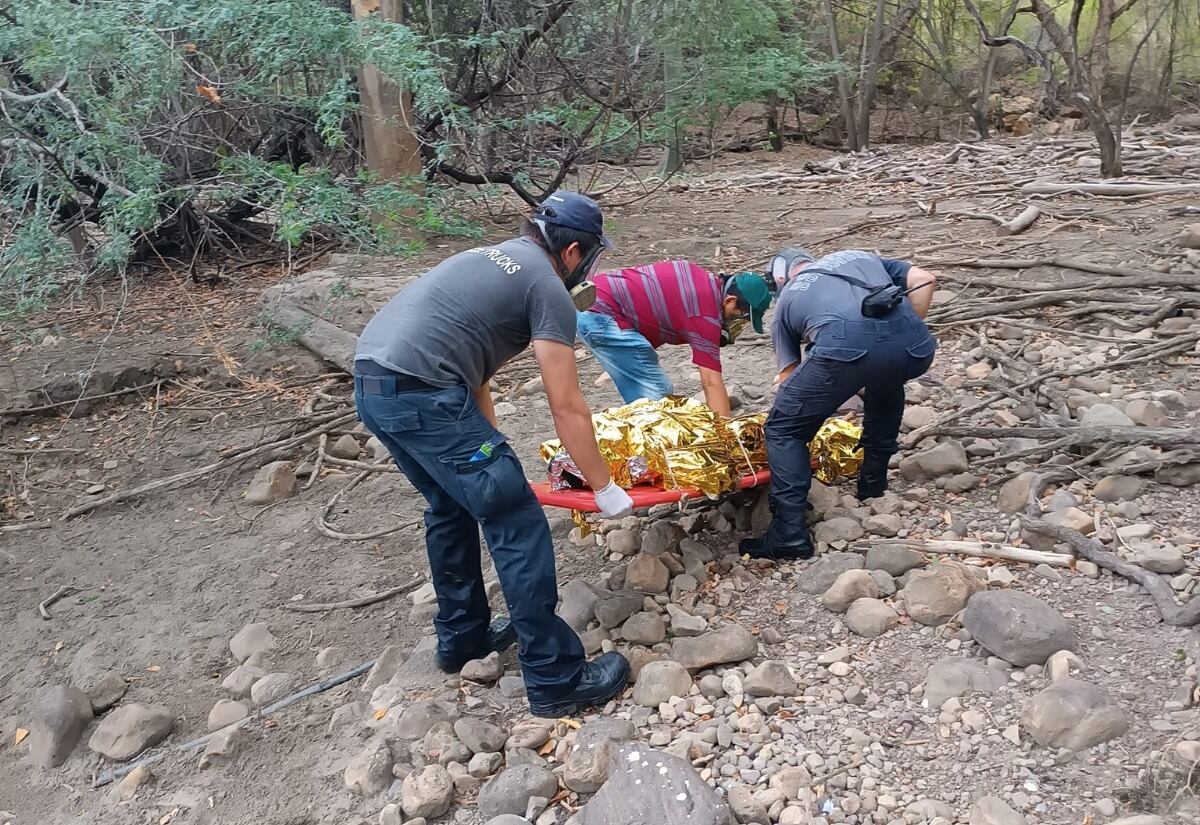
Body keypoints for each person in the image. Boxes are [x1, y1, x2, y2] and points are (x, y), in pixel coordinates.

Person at [353, 191, 633, 716]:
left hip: (374, 383)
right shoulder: (546, 286)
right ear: (574, 252)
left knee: (450, 505)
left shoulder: (489, 258)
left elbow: (475, 374)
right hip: (424, 392)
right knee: (516, 516)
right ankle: (556, 678)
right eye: (592, 257)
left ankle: (463, 640)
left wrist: (485, 450)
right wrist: (604, 486)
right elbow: (567, 405)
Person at [741, 248, 939, 560]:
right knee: (885, 377)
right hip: (917, 347)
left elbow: (788, 381)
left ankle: (788, 535)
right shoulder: (857, 256)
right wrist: (899, 337)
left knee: (783, 429)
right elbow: (925, 279)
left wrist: (814, 405)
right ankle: (873, 486)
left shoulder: (788, 299)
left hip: (844, 346)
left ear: (779, 280)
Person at [576, 262, 773, 417]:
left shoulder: (702, 280)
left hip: (594, 301)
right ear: (729, 300)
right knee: (655, 394)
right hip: (601, 313)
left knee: (648, 392)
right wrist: (727, 436)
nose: (736, 323)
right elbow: (711, 382)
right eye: (740, 315)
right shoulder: (705, 315)